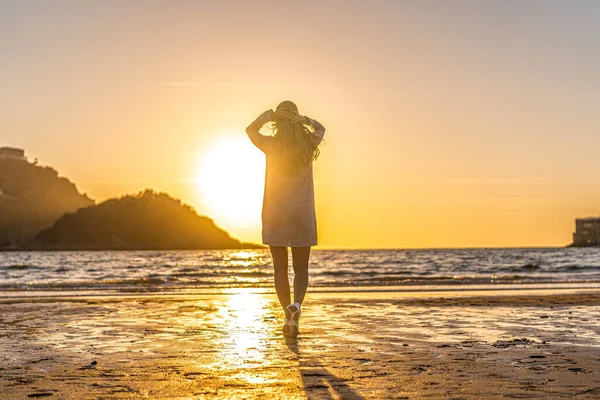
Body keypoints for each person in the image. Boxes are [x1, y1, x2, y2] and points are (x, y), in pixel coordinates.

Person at [246, 100, 326, 338]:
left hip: (276, 213)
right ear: (297, 119)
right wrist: (307, 121)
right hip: (302, 213)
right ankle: (297, 307)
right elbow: (321, 128)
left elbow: (250, 130)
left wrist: (268, 115)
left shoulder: (271, 145)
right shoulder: (308, 144)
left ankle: (286, 314)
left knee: (279, 269)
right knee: (301, 268)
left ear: (278, 122)